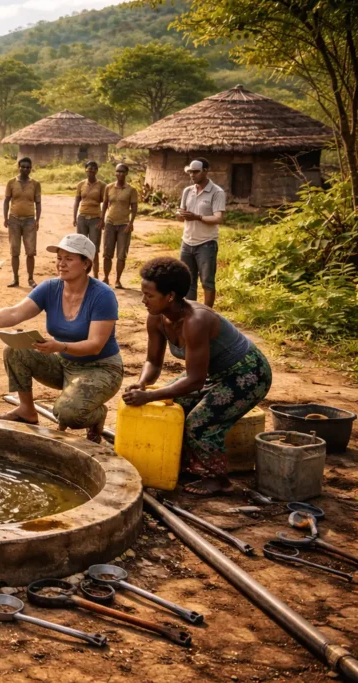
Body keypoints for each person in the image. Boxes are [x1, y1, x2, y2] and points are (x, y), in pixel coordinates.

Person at [123, 257, 271, 496]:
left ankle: (217, 478)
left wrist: (148, 397)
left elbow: (194, 381)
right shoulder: (157, 317)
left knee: (199, 422)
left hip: (248, 373)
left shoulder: (196, 320)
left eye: (149, 295)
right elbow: (152, 361)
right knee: (174, 406)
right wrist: (143, 383)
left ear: (170, 296)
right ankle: (183, 463)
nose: (143, 301)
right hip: (214, 373)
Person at [0, 234, 122, 443]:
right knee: (15, 349)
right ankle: (27, 410)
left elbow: (95, 345)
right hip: (64, 363)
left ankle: (97, 415)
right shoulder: (50, 288)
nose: (61, 264)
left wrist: (59, 345)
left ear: (86, 263)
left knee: (68, 414)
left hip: (100, 368)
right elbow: (14, 313)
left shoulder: (103, 296)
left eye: (69, 259)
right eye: (59, 258)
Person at [177, 158, 226, 307]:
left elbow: (218, 218)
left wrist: (197, 217)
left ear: (206, 171)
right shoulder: (187, 191)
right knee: (187, 281)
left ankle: (207, 315)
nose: (192, 175)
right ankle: (190, 313)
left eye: (196, 172)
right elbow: (180, 215)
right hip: (187, 241)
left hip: (206, 243)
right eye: (190, 172)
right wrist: (180, 215)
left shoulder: (217, 192)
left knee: (207, 281)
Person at [4, 158, 41, 289]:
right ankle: (15, 278)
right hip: (14, 220)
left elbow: (38, 203)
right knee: (15, 251)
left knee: (30, 252)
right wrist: (5, 218)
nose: (25, 169)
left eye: (28, 167)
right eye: (23, 167)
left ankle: (31, 279)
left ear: (31, 168)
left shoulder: (35, 184)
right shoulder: (11, 183)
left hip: (30, 220)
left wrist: (37, 220)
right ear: (18, 167)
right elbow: (6, 200)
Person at [101, 163, 139, 289]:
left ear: (126, 173)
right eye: (117, 171)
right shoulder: (109, 187)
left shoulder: (131, 190)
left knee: (121, 254)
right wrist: (102, 220)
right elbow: (105, 204)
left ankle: (118, 280)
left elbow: (134, 208)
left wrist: (131, 222)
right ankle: (106, 278)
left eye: (122, 172)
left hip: (124, 225)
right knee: (107, 253)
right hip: (110, 223)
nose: (119, 174)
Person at [73, 161, 104, 277]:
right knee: (81, 247)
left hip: (95, 218)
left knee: (94, 248)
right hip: (82, 218)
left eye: (93, 169)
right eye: (89, 169)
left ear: (97, 170)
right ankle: (82, 274)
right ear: (85, 170)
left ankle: (95, 276)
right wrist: (74, 216)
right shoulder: (81, 184)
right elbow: (77, 201)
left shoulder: (102, 185)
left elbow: (105, 203)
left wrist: (102, 219)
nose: (91, 171)